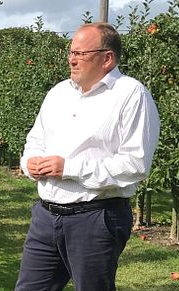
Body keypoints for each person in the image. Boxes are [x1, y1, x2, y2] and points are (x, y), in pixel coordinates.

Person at [15, 23, 160, 291]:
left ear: (107, 58)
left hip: (95, 217)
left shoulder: (130, 94)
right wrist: (30, 162)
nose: (71, 59)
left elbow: (136, 164)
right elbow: (35, 140)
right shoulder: (59, 93)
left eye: (81, 53)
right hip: (46, 216)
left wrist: (69, 168)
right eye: (71, 52)